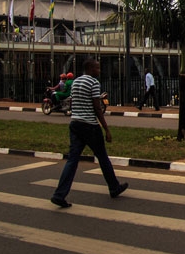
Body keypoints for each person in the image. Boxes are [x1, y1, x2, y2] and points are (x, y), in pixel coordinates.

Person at [51, 57, 128, 208]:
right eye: (97, 68)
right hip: (90, 126)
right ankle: (114, 187)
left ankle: (59, 194)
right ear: (91, 69)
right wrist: (106, 129)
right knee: (103, 157)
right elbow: (97, 108)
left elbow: (74, 102)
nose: (99, 71)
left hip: (75, 124)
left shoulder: (76, 82)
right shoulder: (94, 83)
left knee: (72, 160)